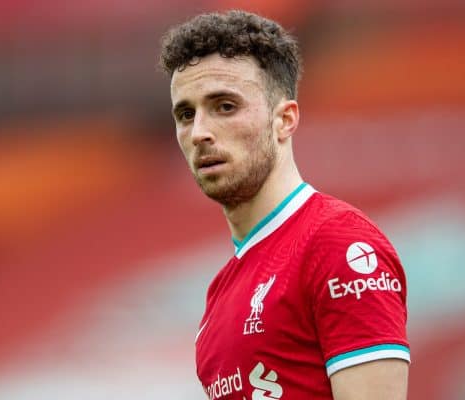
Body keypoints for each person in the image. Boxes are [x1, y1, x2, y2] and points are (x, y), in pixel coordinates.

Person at [158, 10, 410, 400]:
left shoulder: (339, 246)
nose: (200, 133)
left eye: (225, 106)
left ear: (285, 120)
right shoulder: (219, 294)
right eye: (186, 114)